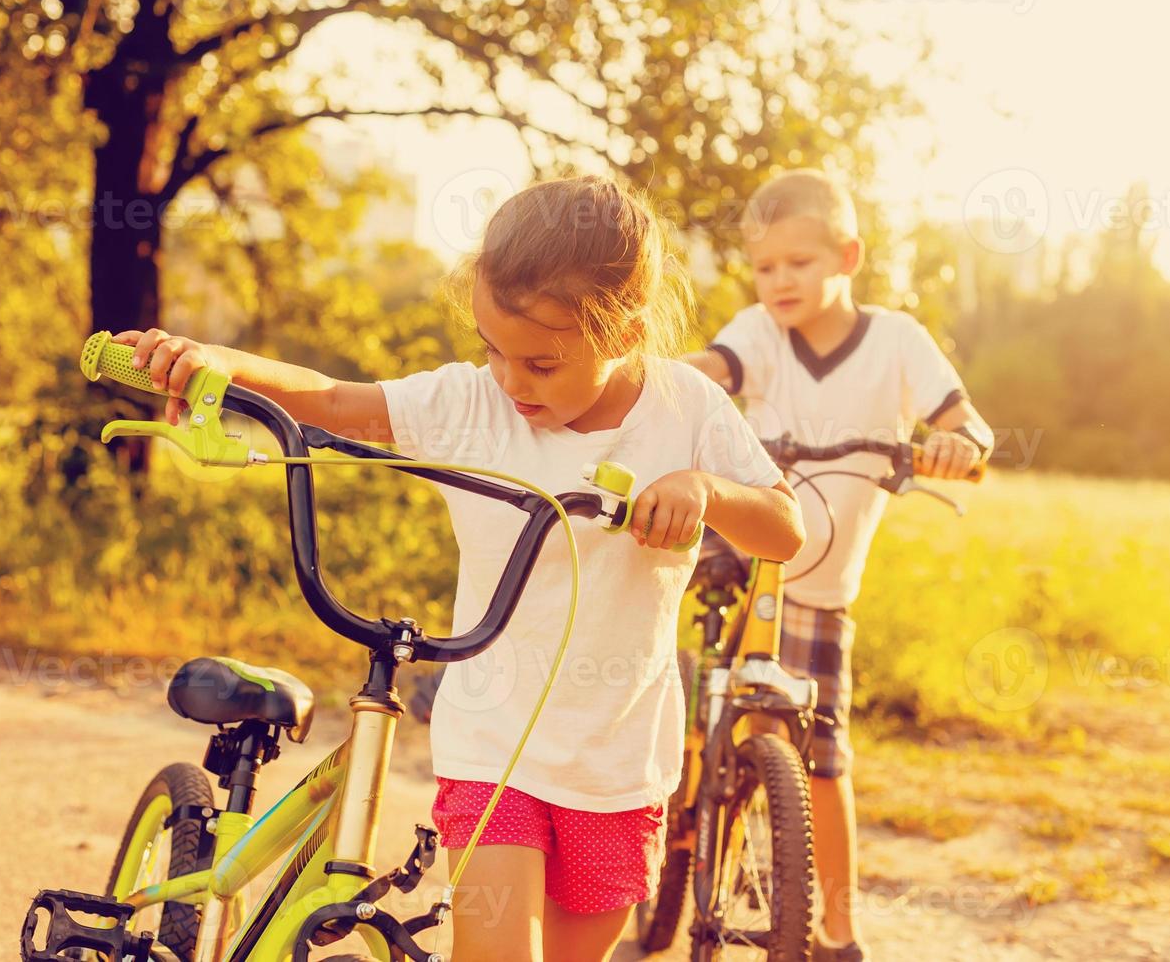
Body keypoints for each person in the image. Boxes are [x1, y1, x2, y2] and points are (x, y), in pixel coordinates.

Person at [114, 176, 807, 962]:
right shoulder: (471, 403)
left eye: (542, 364)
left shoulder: (687, 407)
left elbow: (785, 531)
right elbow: (333, 402)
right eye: (493, 350)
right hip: (492, 741)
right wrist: (212, 362)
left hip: (618, 760)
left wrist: (706, 490)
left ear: (626, 333)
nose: (511, 382)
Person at [687, 169, 993, 962]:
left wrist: (963, 446)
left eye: (800, 263)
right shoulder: (757, 332)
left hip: (824, 588)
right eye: (765, 266)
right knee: (711, 707)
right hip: (747, 550)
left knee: (822, 759)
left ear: (847, 256)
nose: (780, 281)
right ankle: (689, 850)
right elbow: (709, 372)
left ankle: (840, 929)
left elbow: (970, 426)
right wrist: (653, 382)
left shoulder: (897, 341)